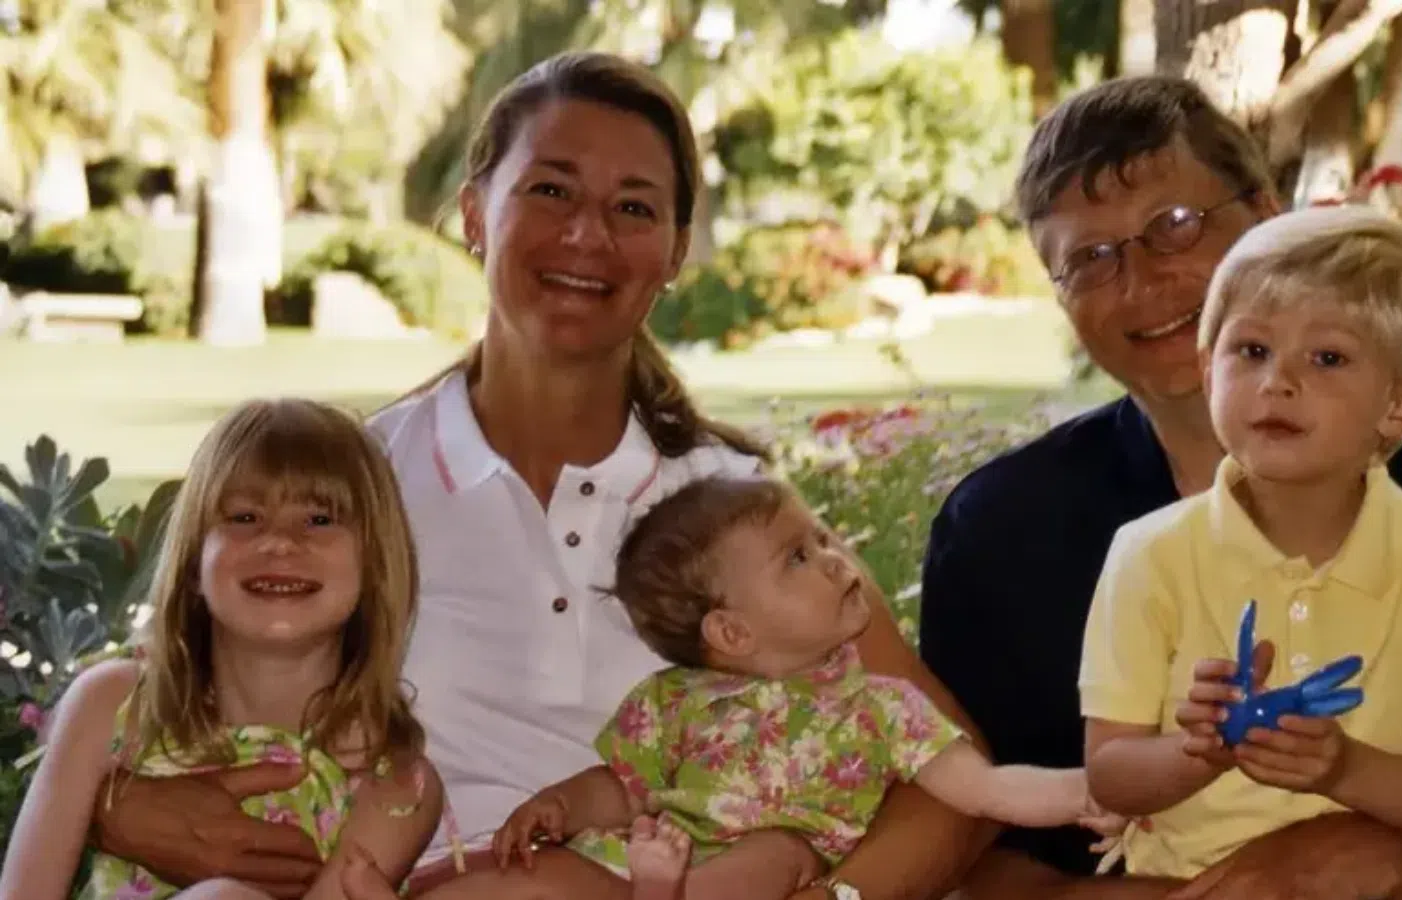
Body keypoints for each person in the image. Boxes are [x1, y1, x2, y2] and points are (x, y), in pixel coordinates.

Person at [86, 52, 986, 900]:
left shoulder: (735, 502)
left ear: (675, 252)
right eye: (550, 190)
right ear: (475, 214)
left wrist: (833, 896)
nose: (587, 233)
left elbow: (954, 776)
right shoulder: (358, 487)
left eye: (634, 208)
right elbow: (168, 690)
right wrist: (116, 802)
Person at [920, 75, 1402, 900]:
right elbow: (973, 859)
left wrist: (1380, 862)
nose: (1139, 282)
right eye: (1089, 260)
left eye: (1174, 226)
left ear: (1271, 218)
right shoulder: (998, 531)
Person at [339, 475, 1125, 900]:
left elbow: (983, 788)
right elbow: (621, 785)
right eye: (796, 557)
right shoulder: (675, 700)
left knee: (771, 857)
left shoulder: (882, 707)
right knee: (529, 880)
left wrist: (1085, 790)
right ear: (731, 634)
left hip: (769, 874)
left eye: (820, 540)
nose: (833, 558)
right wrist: (560, 808)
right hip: (641, 859)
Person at [1081, 204, 1402, 879]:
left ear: (1400, 402)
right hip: (1183, 885)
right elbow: (1110, 774)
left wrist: (1345, 767)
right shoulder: (1148, 555)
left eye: (1328, 357)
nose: (1278, 381)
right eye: (1251, 351)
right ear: (1208, 369)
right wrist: (1200, 748)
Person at [0, 398, 445, 900]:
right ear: (193, 561)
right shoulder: (112, 706)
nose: (279, 541)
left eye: (320, 519)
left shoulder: (396, 787)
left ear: (376, 566)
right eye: (244, 516)